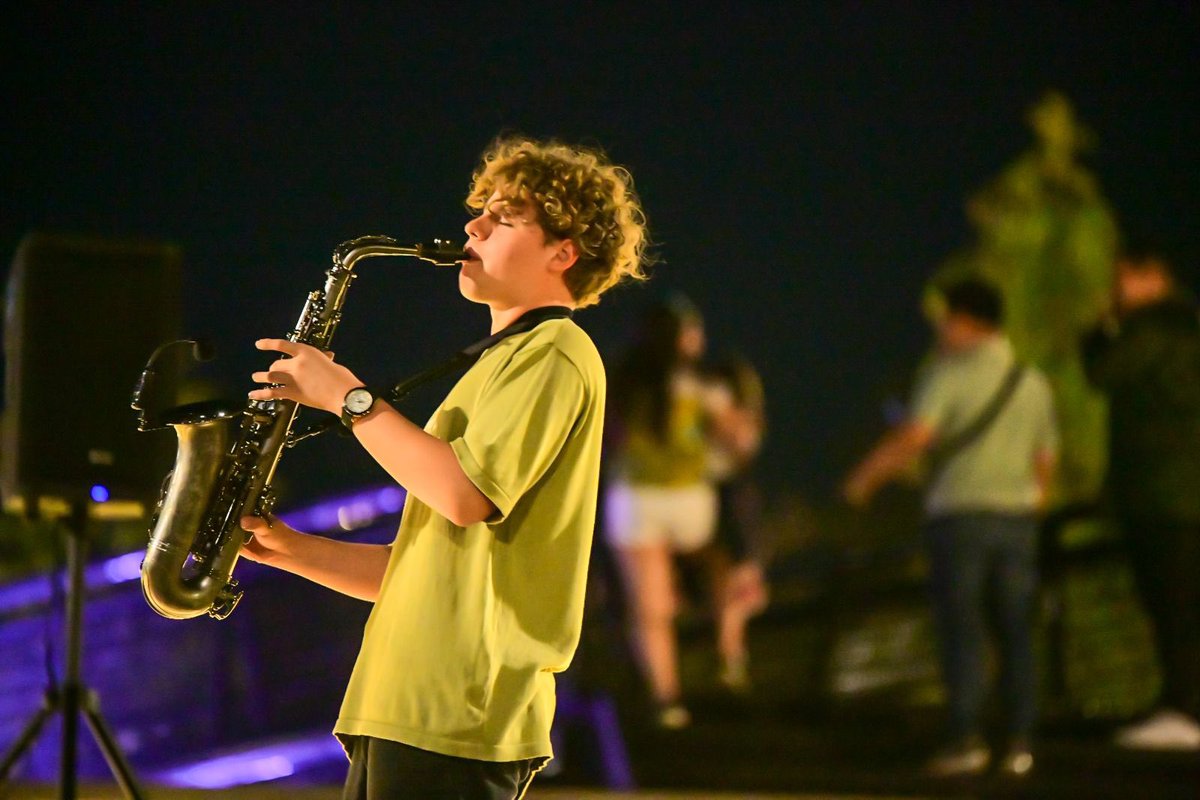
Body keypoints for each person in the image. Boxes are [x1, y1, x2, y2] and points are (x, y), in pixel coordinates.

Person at [236, 136, 649, 799]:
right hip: (409, 708)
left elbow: (462, 497)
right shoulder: (503, 362)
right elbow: (430, 573)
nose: (472, 225)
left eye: (504, 216)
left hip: (454, 715)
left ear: (562, 253)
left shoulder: (556, 352)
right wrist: (291, 551)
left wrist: (347, 398)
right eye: (479, 209)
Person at [842, 277, 1058, 778]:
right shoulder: (1033, 382)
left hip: (959, 517)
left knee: (962, 630)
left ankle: (966, 739)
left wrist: (864, 479)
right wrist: (1030, 506)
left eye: (945, 318)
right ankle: (1022, 742)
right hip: (1017, 520)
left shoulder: (948, 373)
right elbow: (1045, 461)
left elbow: (916, 436)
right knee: (1016, 631)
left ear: (963, 319)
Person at [1081, 240, 1200, 750]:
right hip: (1180, 487)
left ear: (1154, 274)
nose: (1115, 288)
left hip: (1163, 491)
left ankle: (1184, 710)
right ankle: (1179, 704)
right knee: (1181, 603)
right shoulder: (1187, 325)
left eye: (1122, 278)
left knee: (1171, 603)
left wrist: (1095, 331)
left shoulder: (1154, 327)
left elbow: (1102, 373)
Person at [602, 296, 739, 729]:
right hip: (689, 500)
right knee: (722, 566)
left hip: (634, 502)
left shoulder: (621, 381)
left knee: (650, 609)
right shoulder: (702, 383)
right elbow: (737, 440)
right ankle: (729, 653)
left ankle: (667, 699)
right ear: (682, 336)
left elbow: (605, 440)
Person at [702, 353, 770, 693]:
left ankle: (731, 657)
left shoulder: (739, 414)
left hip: (730, 497)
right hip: (717, 496)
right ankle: (730, 657)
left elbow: (742, 448)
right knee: (738, 579)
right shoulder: (714, 407)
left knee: (741, 583)